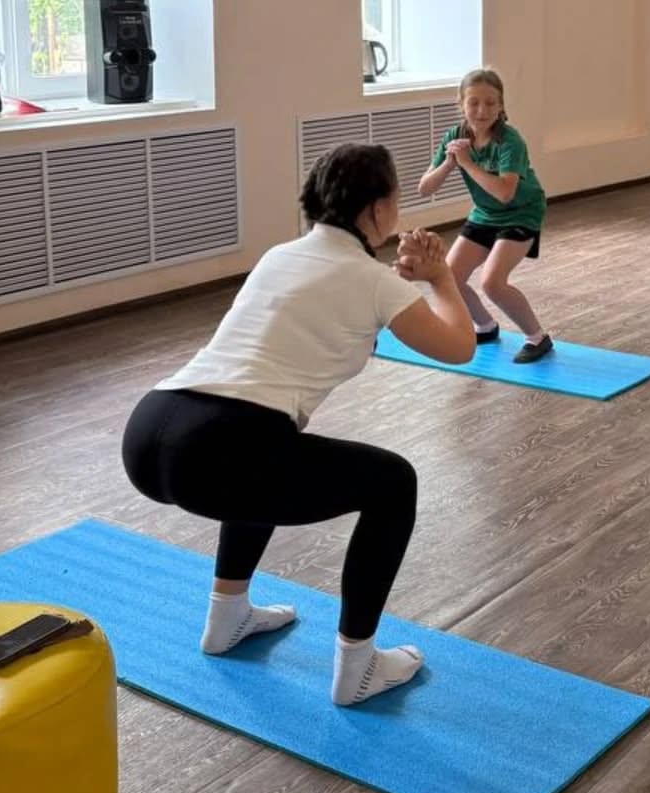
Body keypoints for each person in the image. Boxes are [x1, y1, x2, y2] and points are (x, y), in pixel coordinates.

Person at [121, 144, 475, 706]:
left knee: (267, 455)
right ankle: (359, 667)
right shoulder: (373, 281)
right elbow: (459, 346)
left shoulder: (279, 256)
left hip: (150, 431)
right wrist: (440, 278)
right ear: (378, 209)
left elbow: (338, 299)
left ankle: (227, 617)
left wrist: (400, 282)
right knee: (393, 483)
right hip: (220, 448)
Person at [418, 67, 552, 363]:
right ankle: (486, 326)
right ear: (461, 104)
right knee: (448, 277)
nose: (482, 111)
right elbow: (425, 188)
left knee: (492, 282)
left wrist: (466, 163)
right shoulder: (455, 137)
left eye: (491, 103)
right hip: (485, 214)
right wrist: (449, 164)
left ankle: (537, 338)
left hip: (521, 213)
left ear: (501, 106)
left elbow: (505, 193)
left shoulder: (510, 141)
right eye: (474, 102)